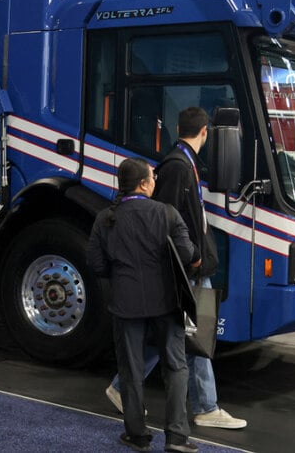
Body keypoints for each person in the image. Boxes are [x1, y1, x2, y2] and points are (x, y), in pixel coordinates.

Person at [107, 107, 247, 430]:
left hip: (189, 266)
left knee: (186, 333)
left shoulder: (183, 164)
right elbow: (166, 220)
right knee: (197, 333)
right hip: (186, 268)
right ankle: (205, 406)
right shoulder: (178, 166)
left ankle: (122, 388)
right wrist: (192, 257)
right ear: (205, 133)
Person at [89, 157, 201, 453]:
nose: (155, 181)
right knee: (176, 367)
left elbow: (96, 264)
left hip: (125, 304)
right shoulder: (167, 214)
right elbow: (187, 254)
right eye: (152, 177)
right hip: (167, 302)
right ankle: (177, 437)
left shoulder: (105, 218)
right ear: (142, 184)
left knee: (131, 369)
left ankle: (137, 435)